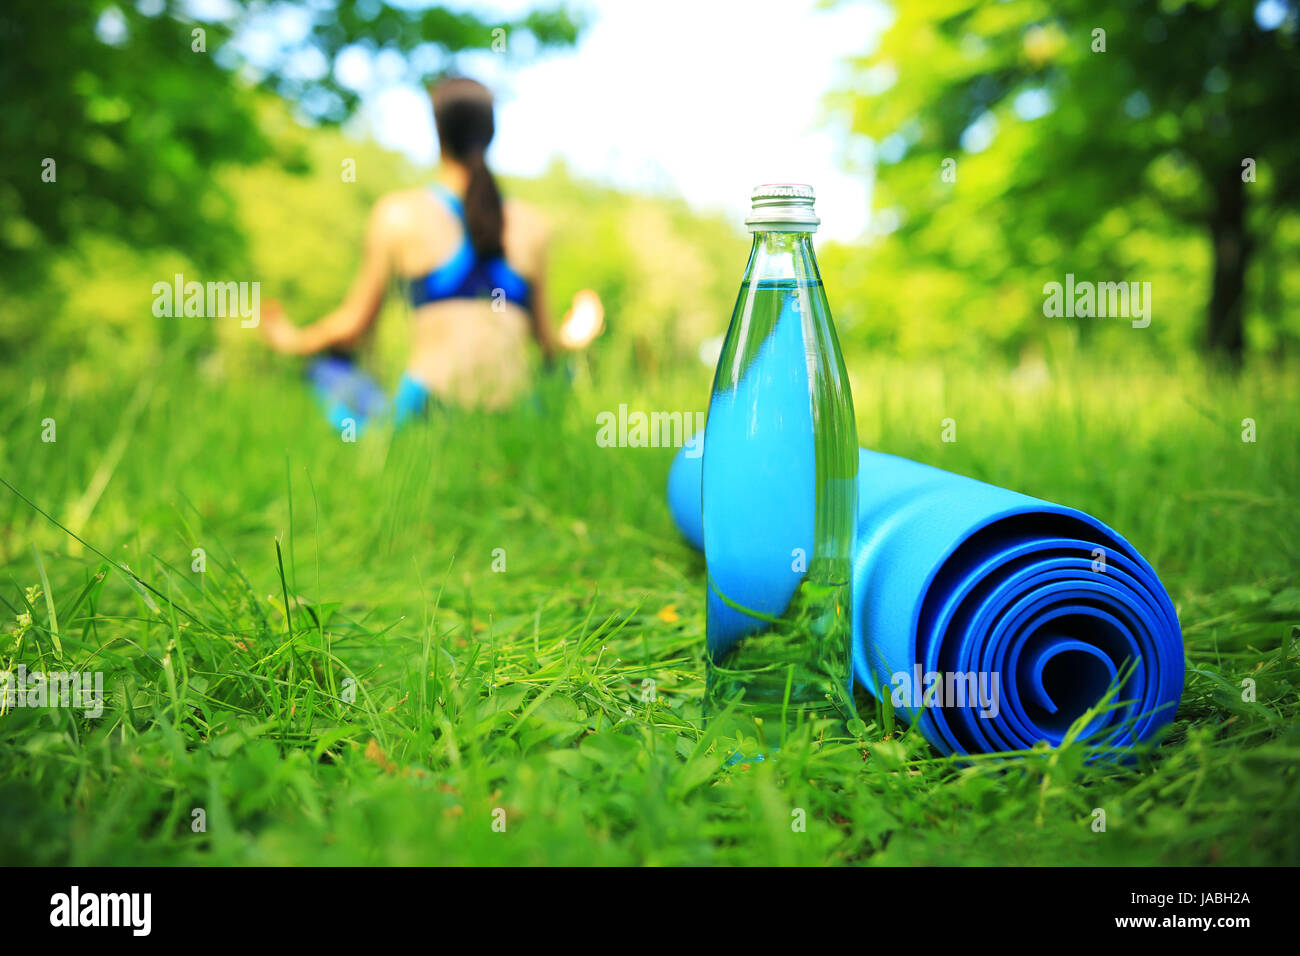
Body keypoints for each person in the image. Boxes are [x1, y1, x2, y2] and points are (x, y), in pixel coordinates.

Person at [261, 75, 602, 425]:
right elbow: (549, 345)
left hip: (427, 412)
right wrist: (578, 332)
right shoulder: (532, 225)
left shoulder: (399, 215)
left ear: (438, 132)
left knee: (326, 366)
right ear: (491, 134)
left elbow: (353, 327)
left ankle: (374, 439)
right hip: (515, 415)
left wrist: (294, 341)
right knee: (562, 375)